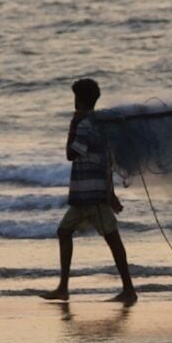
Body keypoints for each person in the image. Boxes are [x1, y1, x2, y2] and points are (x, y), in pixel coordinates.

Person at [43, 77, 138, 304]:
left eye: (76, 98)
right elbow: (106, 162)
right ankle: (64, 288)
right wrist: (111, 194)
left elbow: (71, 154)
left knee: (112, 239)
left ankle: (128, 290)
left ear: (79, 100)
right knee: (66, 233)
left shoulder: (85, 125)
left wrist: (74, 125)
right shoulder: (99, 125)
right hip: (88, 194)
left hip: (91, 195)